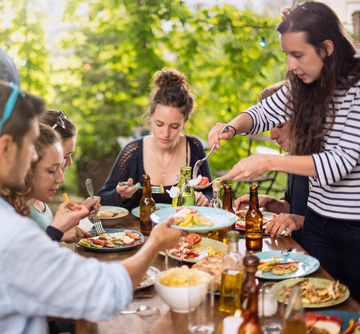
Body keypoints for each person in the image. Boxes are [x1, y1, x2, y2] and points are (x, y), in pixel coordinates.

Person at [0, 80, 184, 333]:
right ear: (5, 148)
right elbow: (103, 292)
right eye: (31, 144)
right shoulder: (9, 235)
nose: (34, 156)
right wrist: (155, 243)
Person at [207, 2, 360, 301]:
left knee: (352, 312)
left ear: (327, 48)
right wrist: (232, 127)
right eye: (287, 55)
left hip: (355, 231)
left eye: (297, 55)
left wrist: (270, 162)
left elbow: (340, 162)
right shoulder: (307, 83)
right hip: (316, 222)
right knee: (312, 306)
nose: (290, 65)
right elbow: (264, 111)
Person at [98, 68, 212, 210]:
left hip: (182, 230)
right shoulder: (133, 151)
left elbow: (210, 192)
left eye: (175, 126)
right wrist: (120, 195)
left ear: (185, 121)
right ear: (151, 116)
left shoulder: (194, 147)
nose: (165, 133)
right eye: (159, 124)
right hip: (138, 231)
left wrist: (204, 199)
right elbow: (102, 198)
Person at [234, 81, 307, 246]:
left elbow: (336, 225)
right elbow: (292, 207)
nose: (272, 135)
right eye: (270, 126)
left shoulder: (323, 160)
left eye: (279, 125)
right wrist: (270, 202)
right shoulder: (294, 155)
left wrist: (302, 221)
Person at [2, 124, 91, 243]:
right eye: (51, 170)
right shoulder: (4, 214)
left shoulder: (26, 202)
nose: (61, 179)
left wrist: (61, 227)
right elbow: (24, 256)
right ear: (26, 170)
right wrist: (57, 232)